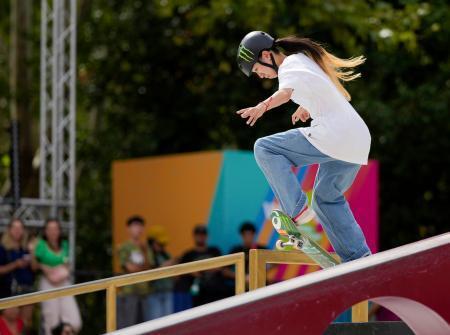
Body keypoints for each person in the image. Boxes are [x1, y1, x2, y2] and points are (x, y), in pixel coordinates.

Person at [236, 31, 371, 262]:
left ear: (267, 55)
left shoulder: (289, 64)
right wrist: (308, 106)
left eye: (259, 70)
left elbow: (285, 93)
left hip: (335, 135)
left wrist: (262, 106)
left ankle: (296, 209)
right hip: (357, 140)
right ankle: (358, 258)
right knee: (326, 198)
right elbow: (329, 93)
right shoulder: (304, 61)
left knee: (265, 148)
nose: (262, 76)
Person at [32, 218, 82, 335]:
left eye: (55, 228)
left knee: (74, 321)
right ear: (45, 231)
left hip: (64, 282)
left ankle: (65, 330)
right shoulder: (41, 244)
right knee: (51, 321)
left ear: (59, 230)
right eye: (50, 229)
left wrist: (60, 271)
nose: (53, 232)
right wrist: (45, 268)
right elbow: (34, 266)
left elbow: (66, 263)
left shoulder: (64, 244)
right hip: (48, 283)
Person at [173, 225, 229, 311]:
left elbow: (224, 267)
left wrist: (212, 268)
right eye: (198, 235)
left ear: (207, 236)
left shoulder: (214, 251)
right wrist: (191, 272)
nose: (201, 237)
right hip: (197, 296)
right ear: (194, 236)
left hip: (217, 293)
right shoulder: (188, 255)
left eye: (203, 234)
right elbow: (178, 275)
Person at [117, 215, 155, 328]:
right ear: (128, 229)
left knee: (145, 327)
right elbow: (129, 268)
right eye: (134, 226)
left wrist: (143, 253)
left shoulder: (145, 247)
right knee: (129, 326)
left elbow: (150, 267)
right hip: (129, 292)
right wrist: (142, 268)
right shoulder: (124, 247)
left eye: (140, 226)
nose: (138, 229)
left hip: (145, 292)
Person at [0, 218, 35, 332]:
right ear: (9, 230)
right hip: (10, 291)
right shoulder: (3, 249)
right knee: (11, 321)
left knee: (26, 324)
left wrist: (33, 253)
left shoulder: (26, 249)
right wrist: (16, 264)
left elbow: (35, 268)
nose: (17, 230)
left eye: (20, 228)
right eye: (14, 227)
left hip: (27, 289)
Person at [146, 226, 175, 319]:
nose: (162, 246)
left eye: (163, 244)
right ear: (151, 242)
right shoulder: (147, 254)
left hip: (167, 291)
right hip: (154, 293)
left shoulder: (166, 254)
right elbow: (147, 273)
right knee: (155, 322)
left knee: (168, 322)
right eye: (159, 243)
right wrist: (163, 267)